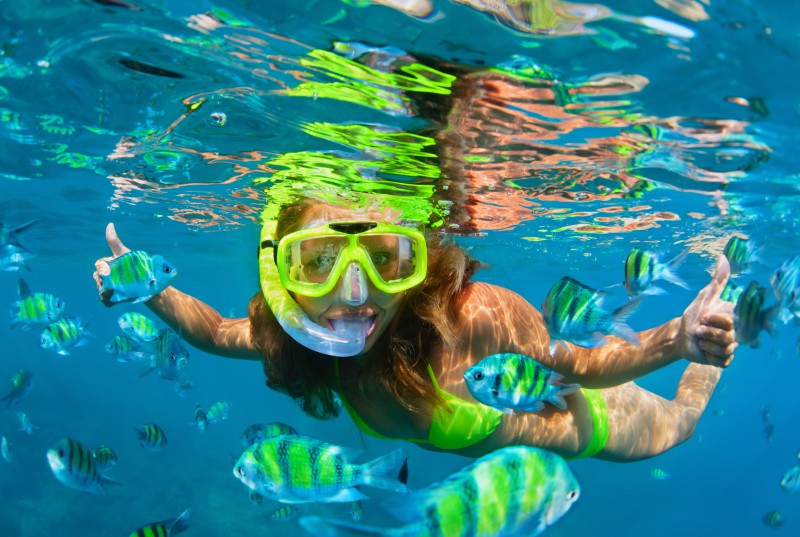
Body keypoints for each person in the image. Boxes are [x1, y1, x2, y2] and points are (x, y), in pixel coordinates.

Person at [93, 195, 737, 462]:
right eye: (317, 262)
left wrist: (677, 340)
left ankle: (712, 332)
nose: (353, 293)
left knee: (683, 424)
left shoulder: (471, 316)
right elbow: (212, 332)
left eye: (383, 258)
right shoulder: (292, 334)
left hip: (579, 418)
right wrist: (146, 286)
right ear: (280, 276)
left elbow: (583, 366)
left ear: (416, 263)